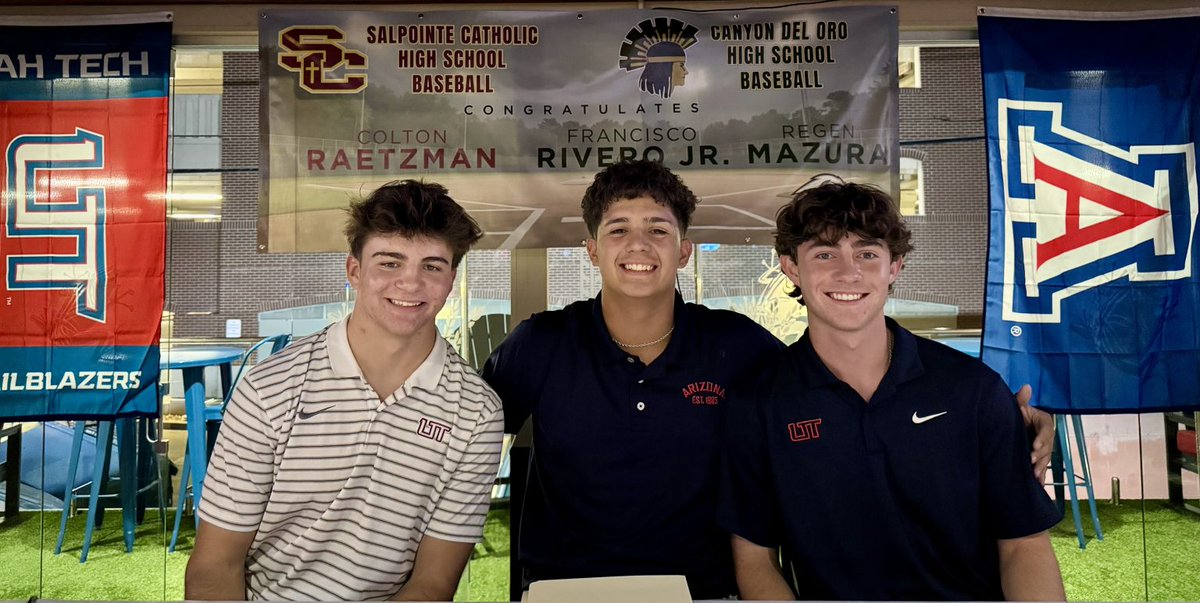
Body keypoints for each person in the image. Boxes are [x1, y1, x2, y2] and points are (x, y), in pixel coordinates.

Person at [481, 160, 1055, 599]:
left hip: (702, 591)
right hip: (564, 588)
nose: (638, 245)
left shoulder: (737, 347)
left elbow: (832, 374)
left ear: (685, 251)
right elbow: (465, 420)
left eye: (657, 229)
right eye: (618, 230)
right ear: (590, 249)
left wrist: (1015, 424)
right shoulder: (542, 343)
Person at [718, 181, 1065, 601]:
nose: (849, 273)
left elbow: (1023, 543)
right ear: (791, 268)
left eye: (867, 254)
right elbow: (754, 558)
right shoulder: (759, 402)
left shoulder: (972, 389)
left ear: (894, 266)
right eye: (825, 254)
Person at [185, 180, 504, 601]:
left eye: (431, 266)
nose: (410, 284)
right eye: (390, 263)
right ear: (354, 271)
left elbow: (433, 584)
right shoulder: (270, 388)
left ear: (450, 280)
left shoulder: (476, 411)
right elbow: (215, 565)